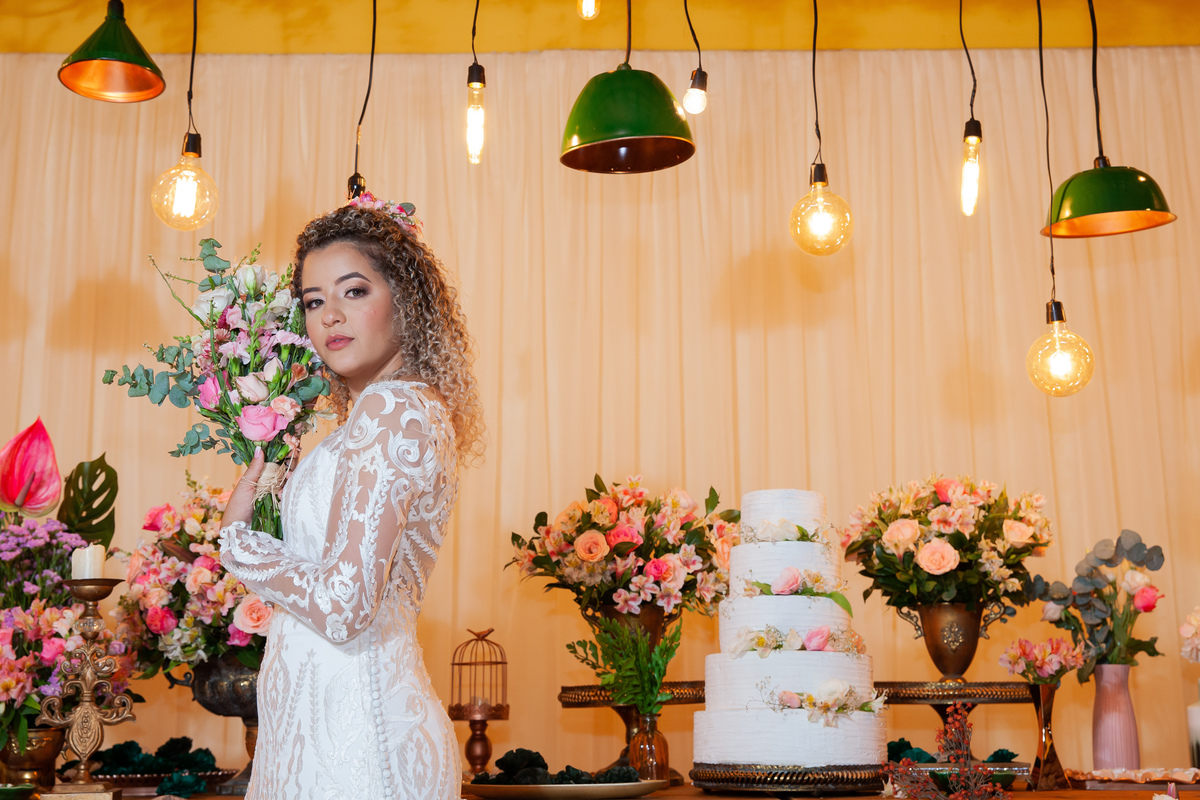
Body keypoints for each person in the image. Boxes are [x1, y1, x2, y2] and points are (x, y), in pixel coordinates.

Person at [219, 195, 484, 800]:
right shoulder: (386, 414)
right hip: (330, 732)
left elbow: (343, 607)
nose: (330, 316)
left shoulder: (391, 409)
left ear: (405, 300)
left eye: (354, 291)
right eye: (314, 301)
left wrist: (238, 544)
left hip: (358, 746)